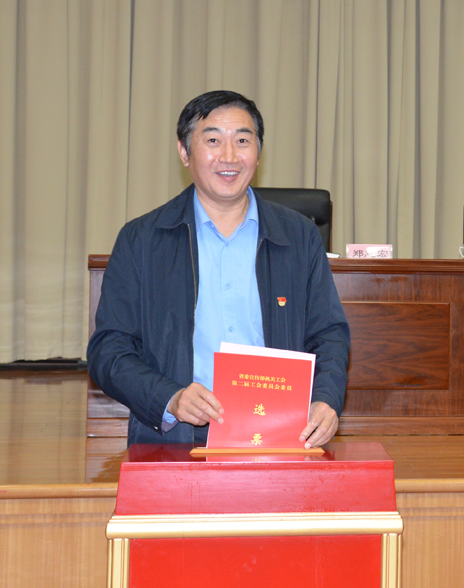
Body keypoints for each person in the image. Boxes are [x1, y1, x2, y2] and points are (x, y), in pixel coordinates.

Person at [87, 90, 350, 448]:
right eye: (213, 140)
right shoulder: (142, 240)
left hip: (280, 437)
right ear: (184, 152)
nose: (229, 156)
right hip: (178, 438)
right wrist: (170, 398)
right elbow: (109, 349)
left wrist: (326, 398)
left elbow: (329, 333)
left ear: (258, 152)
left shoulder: (298, 236)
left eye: (243, 140)